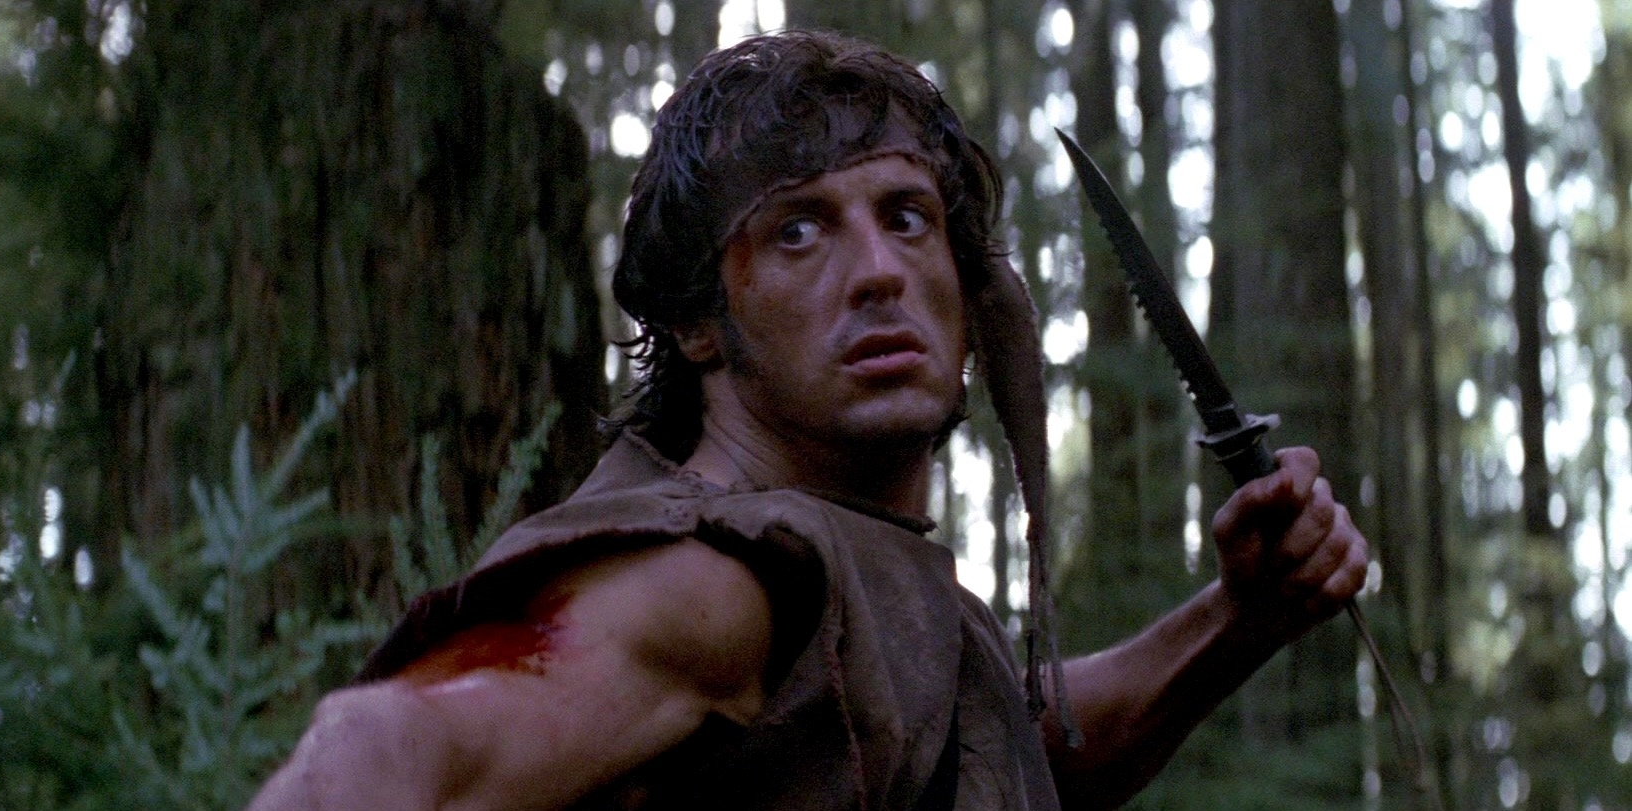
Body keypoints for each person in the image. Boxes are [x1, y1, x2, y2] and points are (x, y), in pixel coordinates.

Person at [248, 30, 1367, 810]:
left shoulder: (866, 579)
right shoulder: (717, 578)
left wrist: (1239, 618)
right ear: (699, 321)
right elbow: (379, 749)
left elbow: (1012, 754)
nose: (879, 270)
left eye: (908, 217)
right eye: (797, 229)